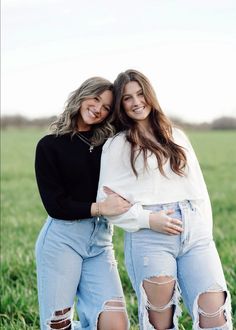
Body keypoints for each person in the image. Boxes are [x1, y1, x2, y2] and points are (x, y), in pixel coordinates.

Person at [97, 69, 232, 330]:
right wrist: (148, 219)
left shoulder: (176, 135)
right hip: (150, 236)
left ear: (150, 95)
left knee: (214, 312)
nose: (136, 102)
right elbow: (106, 202)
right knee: (160, 321)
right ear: (120, 105)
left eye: (140, 94)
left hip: (196, 233)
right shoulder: (117, 145)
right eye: (127, 98)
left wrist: (204, 230)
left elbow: (199, 189)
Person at [34, 77, 131, 330]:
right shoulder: (49, 146)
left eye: (107, 107)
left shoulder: (109, 145)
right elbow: (55, 205)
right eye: (95, 98)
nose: (99, 108)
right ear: (81, 95)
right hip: (61, 242)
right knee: (58, 325)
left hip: (100, 242)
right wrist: (100, 208)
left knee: (116, 324)